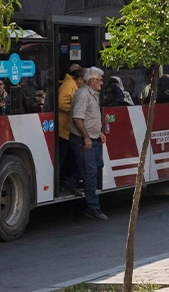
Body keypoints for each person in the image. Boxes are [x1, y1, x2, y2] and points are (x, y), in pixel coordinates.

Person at [69, 67, 108, 220]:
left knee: (98, 164)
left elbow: (90, 117)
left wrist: (99, 133)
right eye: (100, 80)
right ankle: (93, 207)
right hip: (83, 140)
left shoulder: (92, 94)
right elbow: (77, 119)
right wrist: (86, 137)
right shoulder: (83, 95)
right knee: (91, 173)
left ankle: (71, 181)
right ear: (92, 81)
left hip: (93, 138)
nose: (102, 83)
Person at [57, 66, 85, 196]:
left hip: (68, 129)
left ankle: (66, 182)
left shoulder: (72, 85)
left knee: (68, 158)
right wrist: (76, 109)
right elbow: (61, 103)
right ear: (79, 79)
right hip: (63, 128)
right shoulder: (69, 85)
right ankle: (61, 183)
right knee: (62, 158)